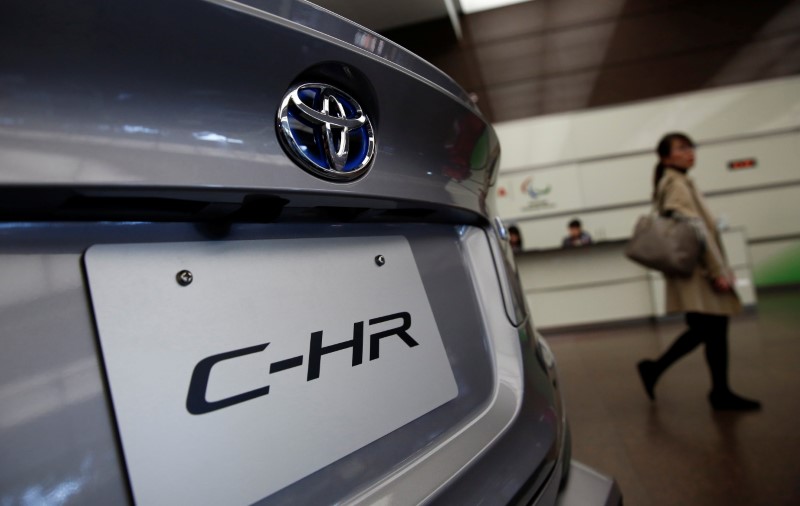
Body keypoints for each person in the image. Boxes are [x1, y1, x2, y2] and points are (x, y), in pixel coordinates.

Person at [637, 132, 760, 411]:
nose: (689, 152)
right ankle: (660, 370)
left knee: (710, 329)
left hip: (696, 270)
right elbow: (696, 231)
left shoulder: (678, 181)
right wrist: (718, 270)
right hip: (699, 272)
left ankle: (716, 389)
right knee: (709, 327)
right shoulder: (676, 184)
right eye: (681, 148)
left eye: (690, 146)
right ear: (666, 157)